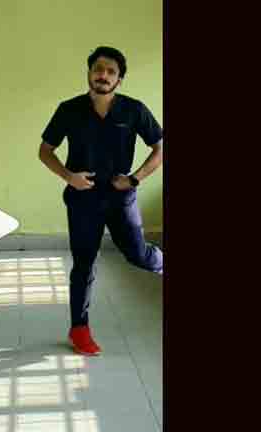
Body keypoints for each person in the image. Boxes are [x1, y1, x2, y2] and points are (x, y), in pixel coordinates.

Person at [38, 46, 163, 357]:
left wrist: (135, 178)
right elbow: (45, 150)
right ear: (90, 73)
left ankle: (160, 261)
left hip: (121, 198)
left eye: (111, 71)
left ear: (119, 79)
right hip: (83, 199)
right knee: (83, 264)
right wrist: (69, 177)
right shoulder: (69, 109)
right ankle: (79, 328)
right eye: (98, 69)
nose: (103, 75)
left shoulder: (134, 110)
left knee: (137, 255)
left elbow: (160, 148)